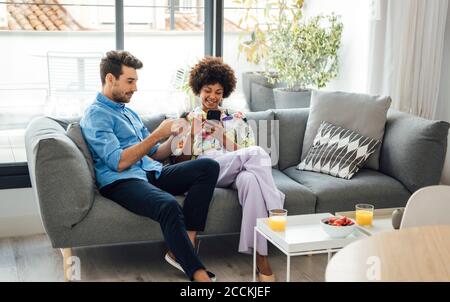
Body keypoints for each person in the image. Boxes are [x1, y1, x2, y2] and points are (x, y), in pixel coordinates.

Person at [80, 50, 220, 282]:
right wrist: (157, 134)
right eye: (130, 81)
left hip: (150, 172)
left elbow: (156, 154)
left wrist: (178, 135)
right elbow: (119, 162)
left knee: (208, 167)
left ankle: (181, 247)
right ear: (110, 79)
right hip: (121, 181)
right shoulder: (96, 116)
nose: (135, 88)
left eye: (136, 81)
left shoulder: (129, 112)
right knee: (168, 205)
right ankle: (197, 272)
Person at [176, 56, 285, 282]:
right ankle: (276, 208)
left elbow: (244, 155)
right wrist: (192, 134)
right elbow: (181, 162)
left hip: (232, 168)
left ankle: (260, 254)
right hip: (204, 172)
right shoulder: (187, 118)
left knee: (252, 181)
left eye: (218, 92)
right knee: (258, 153)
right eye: (208, 90)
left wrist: (223, 138)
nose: (212, 97)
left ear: (224, 93)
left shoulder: (237, 119)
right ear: (199, 89)